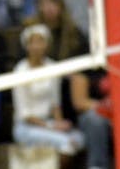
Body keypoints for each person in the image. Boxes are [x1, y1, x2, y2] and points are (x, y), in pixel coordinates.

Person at [11, 24, 84, 158]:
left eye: (40, 41)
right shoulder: (20, 70)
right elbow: (24, 113)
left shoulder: (52, 66)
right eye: (33, 42)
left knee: (78, 139)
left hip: (49, 123)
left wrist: (59, 124)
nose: (37, 46)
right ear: (27, 46)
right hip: (27, 127)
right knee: (66, 143)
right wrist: (50, 126)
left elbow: (55, 103)